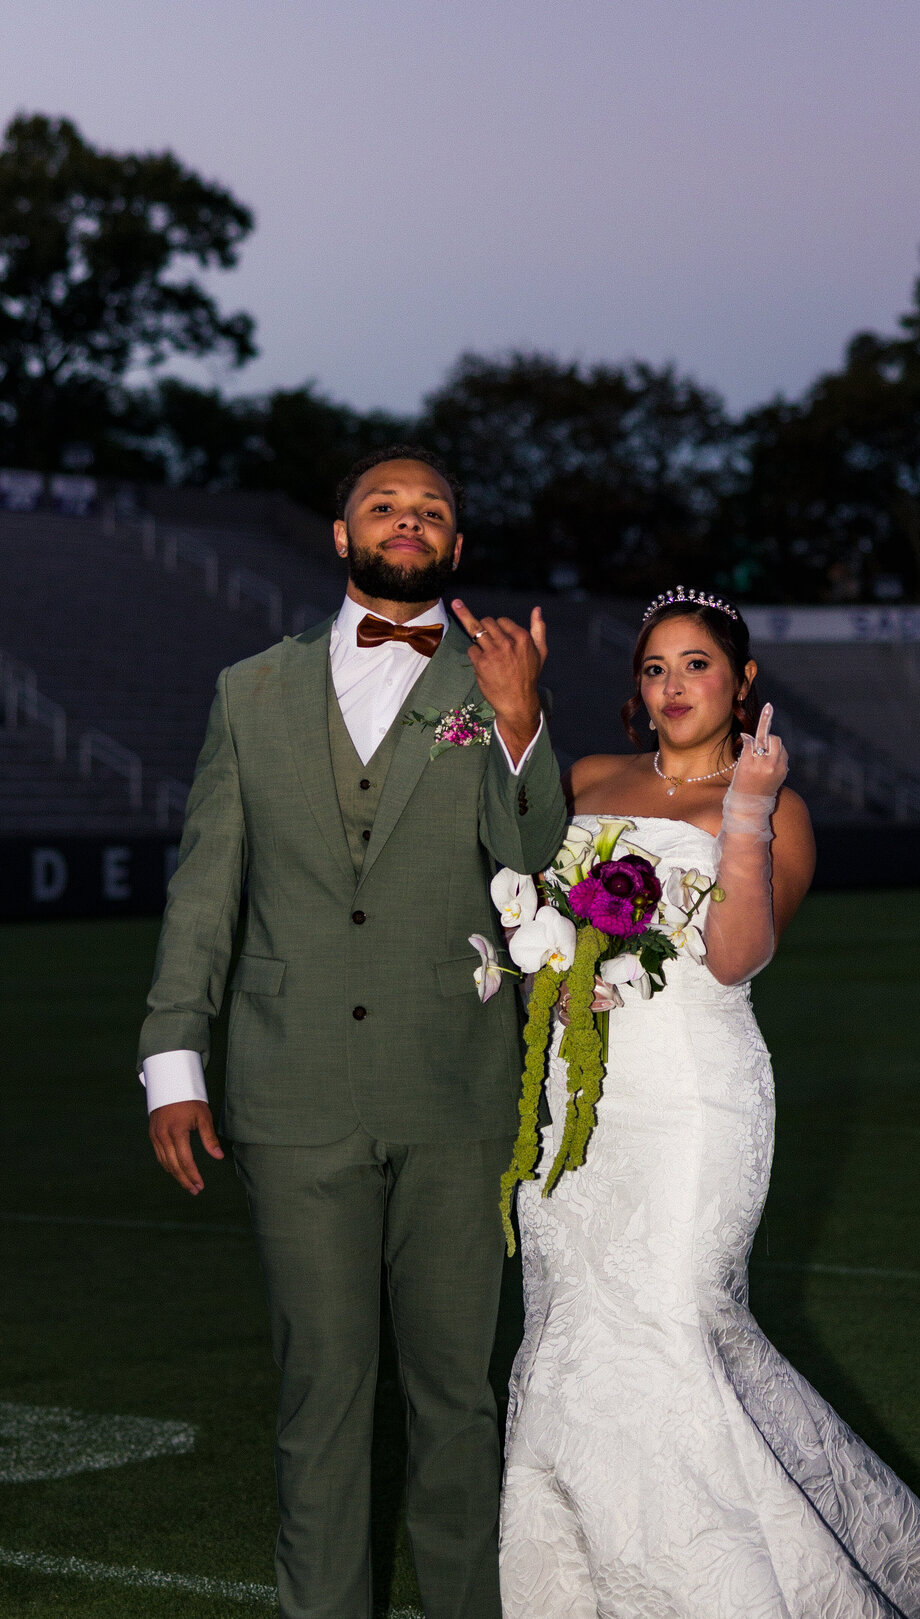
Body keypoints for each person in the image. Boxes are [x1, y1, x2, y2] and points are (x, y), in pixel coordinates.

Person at [499, 589, 920, 1618]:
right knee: (570, 1338)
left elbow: (733, 956)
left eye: (696, 666)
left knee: (675, 1323)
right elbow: (513, 884)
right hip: (573, 1095)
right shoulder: (587, 778)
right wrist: (554, 951)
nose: (672, 686)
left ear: (742, 681)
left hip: (690, 1098)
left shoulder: (778, 802)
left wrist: (749, 815)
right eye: (653, 668)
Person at [138, 447, 567, 1619]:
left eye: (432, 508)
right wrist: (174, 1057)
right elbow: (204, 888)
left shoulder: (496, 685)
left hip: (455, 1091)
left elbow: (536, 870)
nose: (409, 519)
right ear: (340, 534)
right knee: (320, 1393)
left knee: (455, 1398)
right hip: (293, 1094)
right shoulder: (249, 691)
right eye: (385, 503)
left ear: (458, 547)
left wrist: (523, 728)